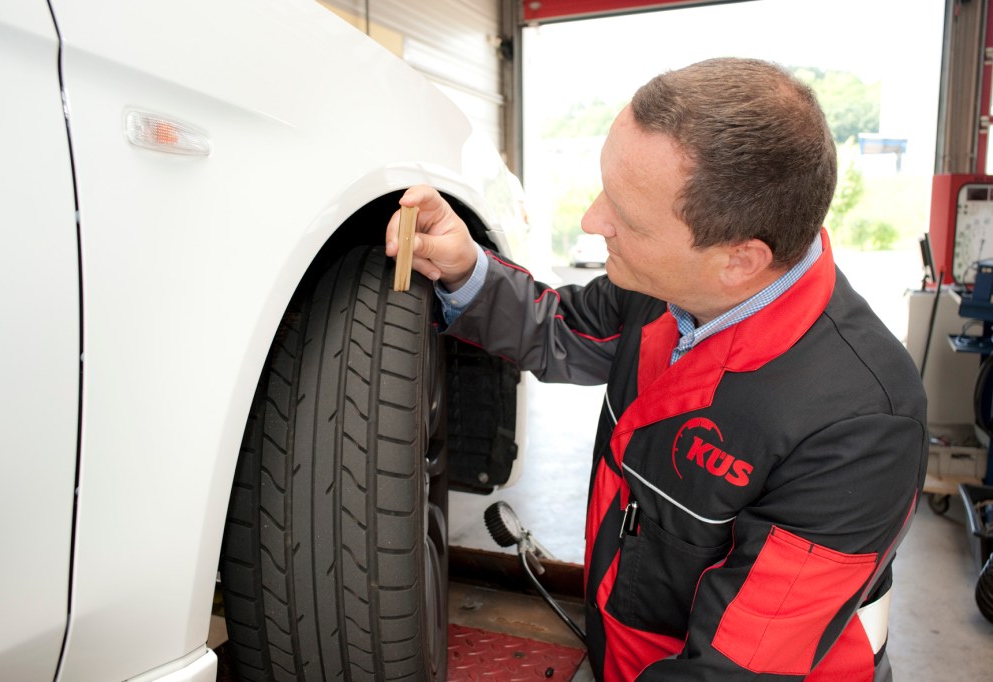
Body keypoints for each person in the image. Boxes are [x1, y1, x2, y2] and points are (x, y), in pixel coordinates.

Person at [385, 57, 927, 681]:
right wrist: (464, 270)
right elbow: (557, 330)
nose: (591, 221)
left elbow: (735, 671)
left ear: (739, 260)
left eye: (625, 215)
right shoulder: (665, 283)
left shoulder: (862, 426)